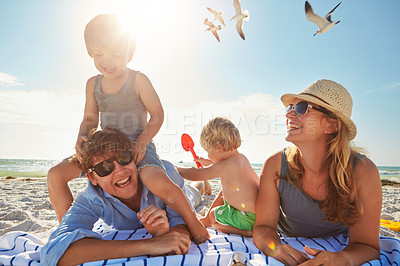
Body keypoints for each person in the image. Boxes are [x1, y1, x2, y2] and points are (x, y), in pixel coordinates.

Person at [46, 14, 209, 244]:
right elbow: (90, 119)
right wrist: (81, 138)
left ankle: (192, 220)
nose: (107, 60)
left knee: (154, 179)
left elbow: (158, 115)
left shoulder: (138, 80)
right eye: (99, 53)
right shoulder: (93, 84)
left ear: (129, 53)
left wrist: (142, 141)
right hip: (104, 149)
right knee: (56, 174)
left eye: (115, 53)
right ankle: (71, 231)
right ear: (90, 52)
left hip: (136, 145)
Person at [253, 79, 382, 265]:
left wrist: (342, 258)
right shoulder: (274, 164)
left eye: (302, 107)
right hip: (288, 235)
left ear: (332, 125)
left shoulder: (363, 171)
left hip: (339, 237)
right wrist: (275, 247)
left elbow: (366, 246)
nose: (289, 113)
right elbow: (264, 227)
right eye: (290, 107)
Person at [41, 128, 193, 265]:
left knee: (194, 192)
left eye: (123, 158)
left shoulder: (165, 176)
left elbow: (185, 225)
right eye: (104, 167)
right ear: (92, 178)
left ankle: (200, 185)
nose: (120, 171)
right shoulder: (92, 198)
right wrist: (152, 244)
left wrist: (168, 233)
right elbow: (54, 251)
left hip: (187, 193)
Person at [177, 117, 260, 237]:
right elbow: (222, 166)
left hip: (246, 219)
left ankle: (246, 233)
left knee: (213, 216)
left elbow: (196, 174)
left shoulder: (224, 166)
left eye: (207, 151)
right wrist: (209, 162)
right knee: (224, 191)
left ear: (217, 147)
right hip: (256, 215)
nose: (207, 155)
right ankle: (205, 219)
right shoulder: (240, 158)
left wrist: (177, 169)